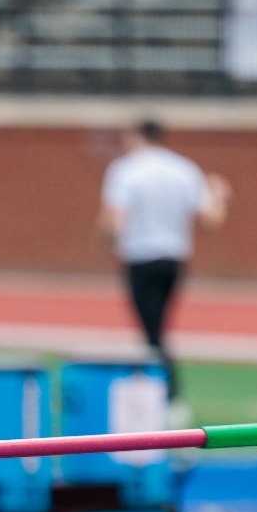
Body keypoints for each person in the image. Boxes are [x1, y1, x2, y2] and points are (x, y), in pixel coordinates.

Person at [97, 120, 231, 401]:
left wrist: (107, 234)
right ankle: (158, 388)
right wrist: (219, 193)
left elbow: (113, 222)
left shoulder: (125, 169)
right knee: (157, 327)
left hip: (140, 257)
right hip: (174, 258)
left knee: (152, 332)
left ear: (136, 137)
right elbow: (212, 217)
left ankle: (166, 392)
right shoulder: (184, 169)